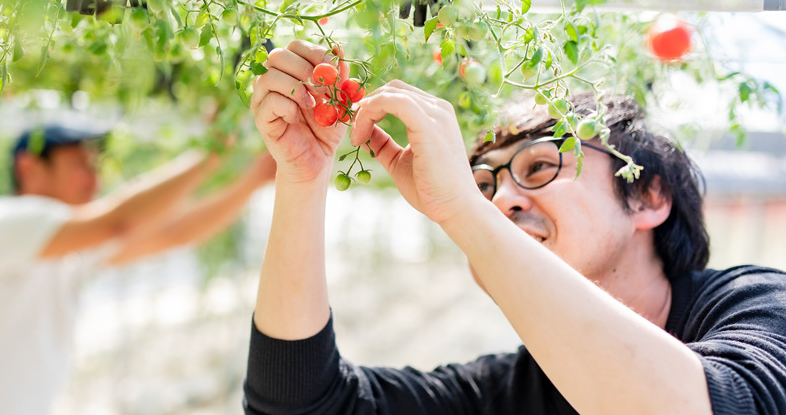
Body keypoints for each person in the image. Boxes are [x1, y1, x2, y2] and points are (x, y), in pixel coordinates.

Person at [243, 40, 786, 414]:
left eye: (540, 167)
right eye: (482, 185)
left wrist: (463, 209)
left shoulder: (757, 306)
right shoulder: (506, 394)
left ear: (647, 195)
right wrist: (302, 177)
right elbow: (302, 404)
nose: (500, 200)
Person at [0, 123, 275, 415]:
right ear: (29, 167)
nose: (94, 178)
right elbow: (119, 222)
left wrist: (253, 180)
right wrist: (209, 155)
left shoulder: (64, 251)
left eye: (95, 165)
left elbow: (173, 234)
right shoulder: (0, 221)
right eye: (81, 165)